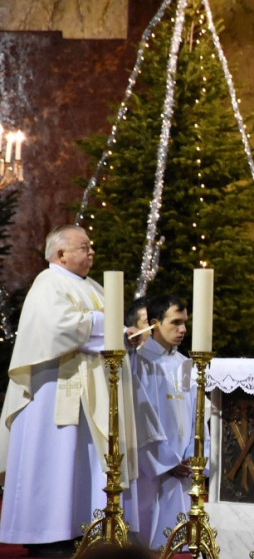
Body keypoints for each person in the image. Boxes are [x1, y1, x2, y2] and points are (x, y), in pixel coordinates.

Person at [0, 225, 138, 553]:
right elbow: (58, 329)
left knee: (84, 462)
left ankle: (82, 527)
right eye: (84, 247)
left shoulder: (94, 287)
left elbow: (104, 332)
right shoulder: (48, 283)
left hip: (92, 391)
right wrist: (105, 324)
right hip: (52, 392)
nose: (92, 252)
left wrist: (123, 334)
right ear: (61, 253)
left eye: (91, 247)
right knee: (54, 459)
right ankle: (45, 534)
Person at [132, 294, 208, 550]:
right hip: (151, 469)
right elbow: (140, 420)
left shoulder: (186, 365)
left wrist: (192, 455)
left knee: (181, 543)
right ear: (155, 323)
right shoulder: (138, 363)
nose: (183, 329)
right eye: (175, 322)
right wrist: (166, 461)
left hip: (184, 466)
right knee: (150, 543)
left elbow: (198, 415)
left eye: (185, 322)